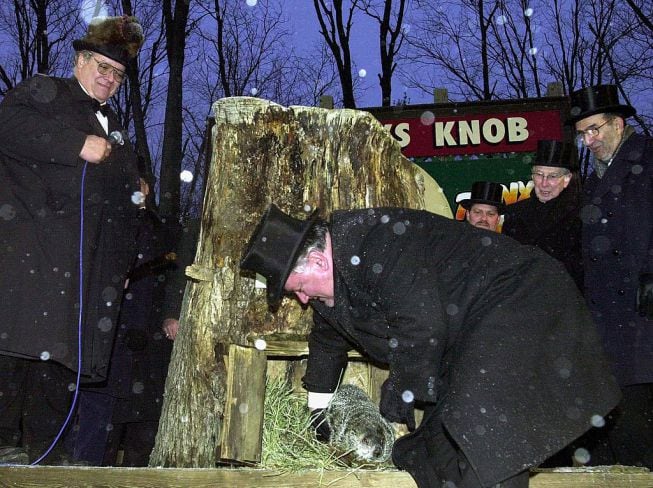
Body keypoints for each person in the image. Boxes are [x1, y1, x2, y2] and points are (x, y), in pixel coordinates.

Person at [240, 203, 621, 488]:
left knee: (482, 440)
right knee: (428, 453)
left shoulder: (375, 238)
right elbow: (325, 345)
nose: (303, 300)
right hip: (474, 333)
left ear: (320, 261)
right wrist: (318, 413)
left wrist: (403, 388)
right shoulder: (331, 296)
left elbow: (421, 321)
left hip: (520, 301)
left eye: (299, 288)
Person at [0, 16, 145, 465]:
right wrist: (73, 143)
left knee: (61, 364)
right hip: (31, 261)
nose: (110, 79)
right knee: (17, 352)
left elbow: (123, 209)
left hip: (83, 275)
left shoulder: (115, 127)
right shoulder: (44, 93)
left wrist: (136, 197)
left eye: (118, 74)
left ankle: (49, 457)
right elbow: (6, 125)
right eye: (102, 66)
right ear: (79, 60)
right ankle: (7, 444)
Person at [569, 84, 653, 468]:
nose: (589, 140)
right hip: (615, 318)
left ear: (618, 123)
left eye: (596, 129)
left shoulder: (645, 159)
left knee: (637, 416)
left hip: (640, 314)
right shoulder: (602, 173)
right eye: (583, 133)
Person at [502, 140, 583, 290]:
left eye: (552, 176)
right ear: (532, 177)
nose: (544, 183)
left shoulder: (580, 215)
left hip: (567, 297)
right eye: (539, 175)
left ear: (566, 179)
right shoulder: (515, 214)